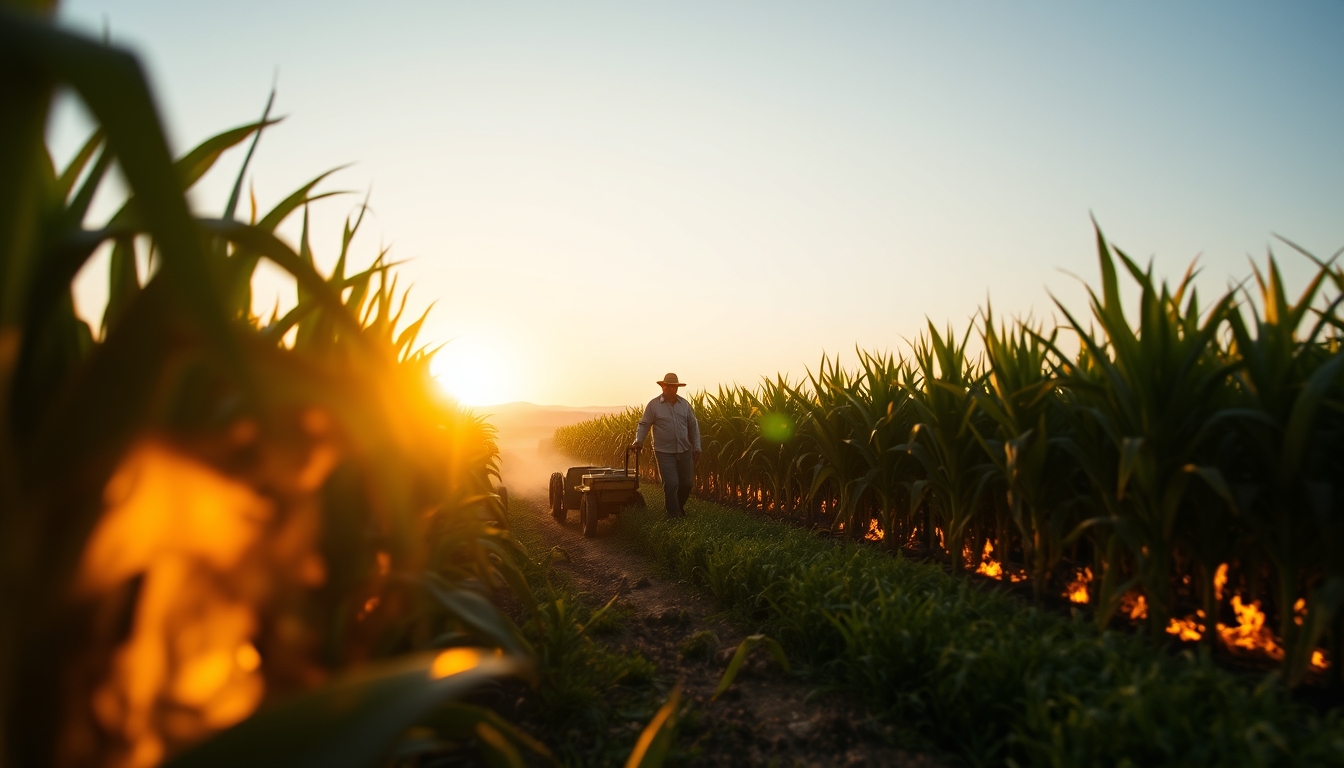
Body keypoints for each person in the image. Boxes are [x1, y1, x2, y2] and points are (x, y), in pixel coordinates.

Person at [631, 373, 701, 518]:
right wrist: (639, 440)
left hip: (685, 449)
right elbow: (644, 424)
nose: (671, 390)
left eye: (674, 387)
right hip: (664, 451)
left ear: (677, 388)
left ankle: (678, 507)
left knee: (687, 484)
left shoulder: (684, 405)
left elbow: (693, 426)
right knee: (671, 483)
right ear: (663, 387)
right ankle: (673, 513)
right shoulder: (654, 405)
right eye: (669, 387)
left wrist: (697, 447)